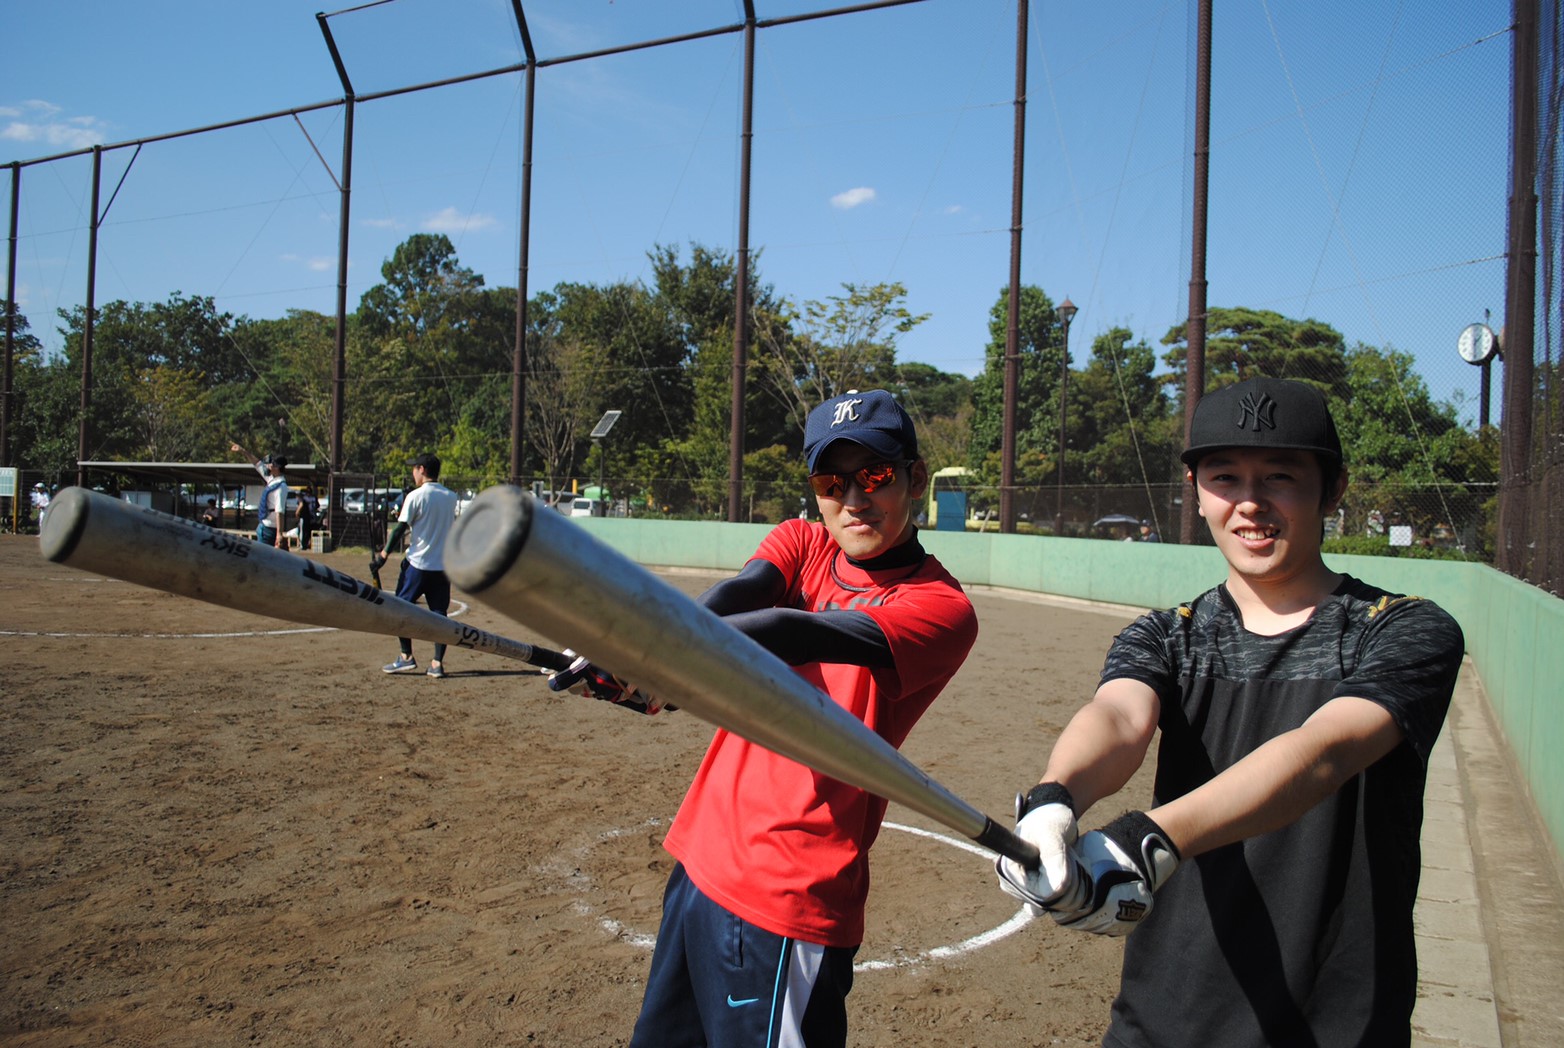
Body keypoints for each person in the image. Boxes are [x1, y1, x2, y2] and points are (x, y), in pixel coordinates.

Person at [995, 377, 1463, 1048]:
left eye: (1279, 477)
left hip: (1332, 1024)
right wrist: (1055, 796)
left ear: (1332, 489)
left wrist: (1151, 838)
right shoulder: (1166, 634)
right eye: (1225, 478)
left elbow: (1322, 751)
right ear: (1196, 492)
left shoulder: (1403, 631)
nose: (1250, 503)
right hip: (1160, 1018)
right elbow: (1119, 718)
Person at [560, 389, 978, 1047]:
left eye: (874, 475)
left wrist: (655, 652)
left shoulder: (940, 607)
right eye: (830, 481)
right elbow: (736, 598)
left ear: (914, 478)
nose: (854, 498)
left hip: (789, 887)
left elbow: (796, 632)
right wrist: (652, 661)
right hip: (702, 855)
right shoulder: (803, 542)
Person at [376, 452, 459, 679]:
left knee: (399, 610)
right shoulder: (451, 496)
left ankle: (406, 657)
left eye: (414, 468)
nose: (413, 473)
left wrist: (383, 555)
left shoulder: (416, 496)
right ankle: (437, 663)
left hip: (418, 565)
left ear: (422, 469)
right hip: (442, 566)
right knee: (440, 614)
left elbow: (400, 529)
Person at [229, 441, 288, 549]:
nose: (269, 465)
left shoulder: (281, 486)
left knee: (266, 558)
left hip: (270, 528)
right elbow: (257, 464)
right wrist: (243, 451)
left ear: (277, 467)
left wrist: (279, 534)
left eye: (272, 464)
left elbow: (279, 511)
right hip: (264, 526)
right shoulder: (272, 480)